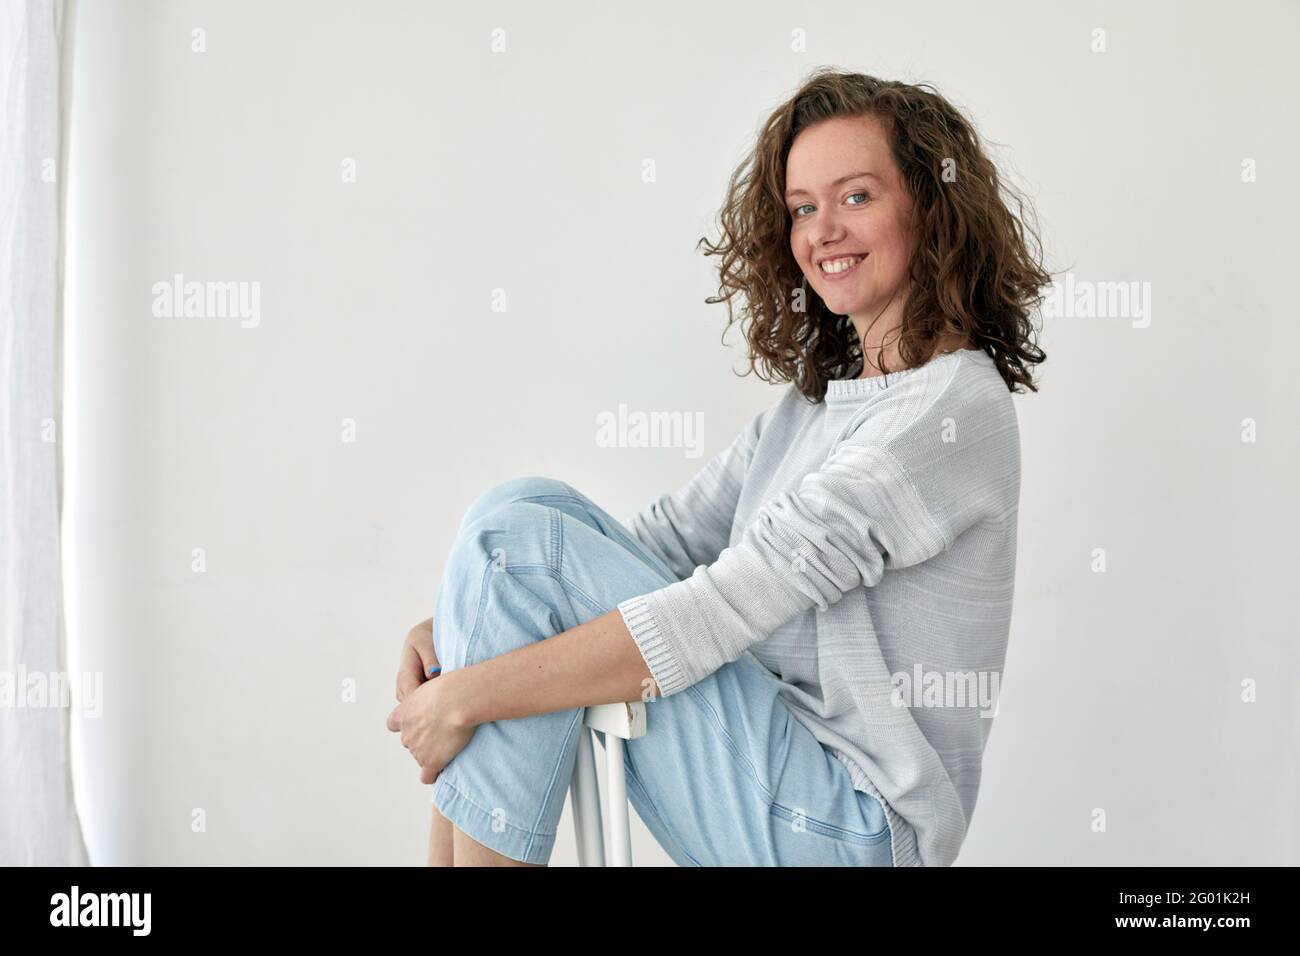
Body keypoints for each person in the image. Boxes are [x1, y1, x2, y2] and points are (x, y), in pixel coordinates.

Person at [387, 67, 1050, 866]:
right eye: (803, 207)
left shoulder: (952, 410)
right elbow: (658, 550)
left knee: (519, 544)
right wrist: (463, 617)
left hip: (854, 829)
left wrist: (467, 690)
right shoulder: (810, 412)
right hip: (772, 776)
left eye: (856, 196)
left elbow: (720, 610)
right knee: (522, 511)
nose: (822, 231)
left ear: (928, 204)